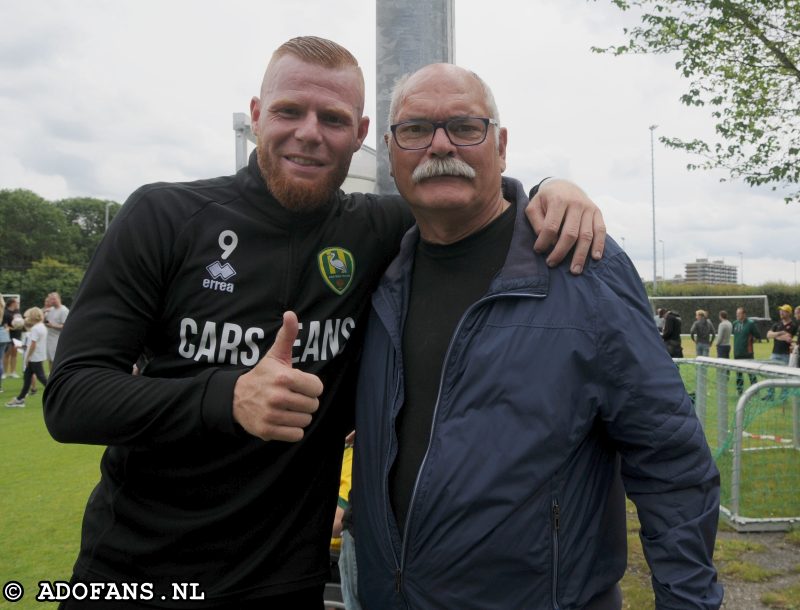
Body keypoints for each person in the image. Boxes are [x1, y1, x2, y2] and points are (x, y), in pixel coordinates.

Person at [43, 36, 606, 608]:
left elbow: (465, 192)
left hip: (286, 582)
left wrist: (552, 189)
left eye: (332, 118)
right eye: (289, 110)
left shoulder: (379, 230)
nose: (309, 132)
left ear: (362, 135)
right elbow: (70, 397)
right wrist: (227, 396)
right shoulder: (163, 217)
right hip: (136, 574)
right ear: (259, 116)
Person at [352, 62, 722, 610]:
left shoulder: (582, 266)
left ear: (501, 146)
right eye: (415, 130)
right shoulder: (378, 271)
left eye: (464, 126)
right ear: (390, 150)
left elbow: (671, 461)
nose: (439, 145)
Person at [6, 307, 48, 407]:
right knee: (27, 378)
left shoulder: (35, 328)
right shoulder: (42, 326)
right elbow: (33, 343)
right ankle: (20, 399)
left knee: (42, 378)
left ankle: (58, 393)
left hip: (34, 357)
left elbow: (33, 344)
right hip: (38, 356)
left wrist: (28, 357)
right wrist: (22, 346)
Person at [733, 306, 760, 395]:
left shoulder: (750, 324)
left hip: (747, 353)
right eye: (737, 313)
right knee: (739, 374)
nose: (737, 315)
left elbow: (758, 336)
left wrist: (752, 341)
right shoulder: (735, 323)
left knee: (751, 373)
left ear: (744, 314)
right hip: (737, 353)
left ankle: (755, 390)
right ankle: (739, 391)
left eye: (739, 313)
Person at [43, 291, 69, 371]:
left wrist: (53, 325)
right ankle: (51, 378)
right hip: (49, 338)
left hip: (58, 339)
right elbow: (45, 321)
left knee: (56, 361)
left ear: (58, 299)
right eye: (50, 299)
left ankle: (57, 378)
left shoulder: (64, 310)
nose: (52, 301)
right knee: (50, 360)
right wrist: (43, 315)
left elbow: (66, 326)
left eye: (53, 299)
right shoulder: (50, 310)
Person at [3, 297, 22, 379]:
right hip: (9, 336)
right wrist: (14, 328)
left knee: (14, 354)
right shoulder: (5, 312)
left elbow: (21, 321)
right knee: (7, 354)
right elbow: (5, 326)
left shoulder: (17, 311)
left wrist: (20, 325)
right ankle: (4, 372)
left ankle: (13, 372)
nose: (17, 303)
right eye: (16, 302)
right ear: (12, 303)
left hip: (17, 335)